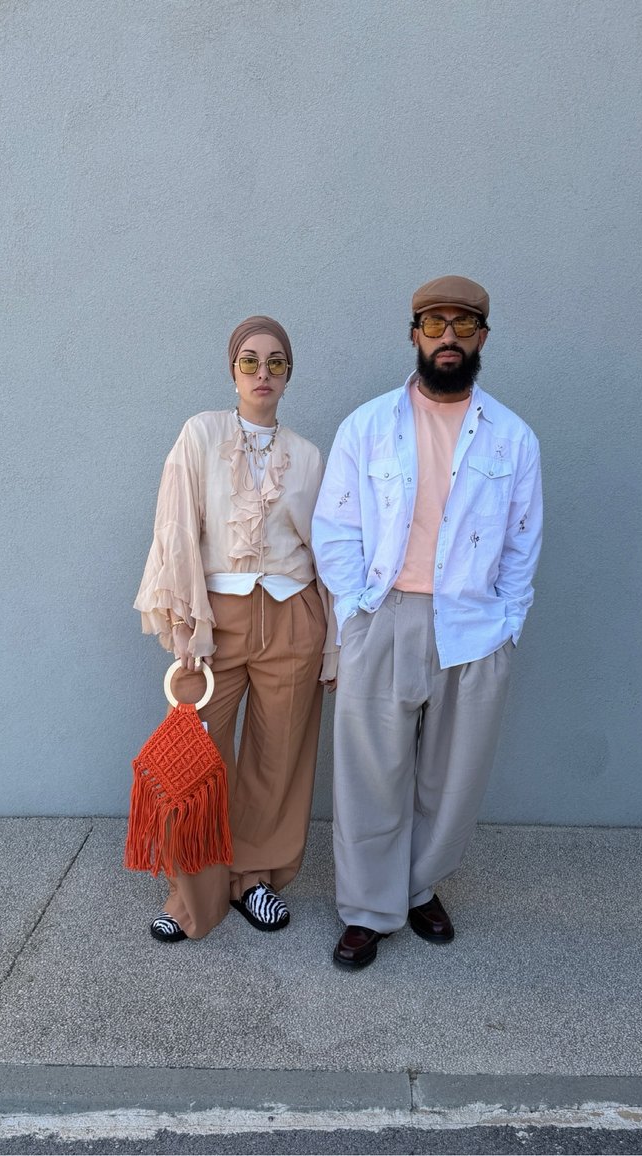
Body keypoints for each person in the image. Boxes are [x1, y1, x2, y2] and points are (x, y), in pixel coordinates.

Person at [312, 276, 542, 969]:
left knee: (452, 779)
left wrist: (507, 625)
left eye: (464, 325)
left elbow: (524, 541)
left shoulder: (512, 437)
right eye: (435, 323)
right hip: (385, 616)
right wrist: (354, 611)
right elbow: (336, 527)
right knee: (369, 773)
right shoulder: (368, 426)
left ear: (482, 338)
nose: (449, 336)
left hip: (472, 626)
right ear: (413, 333)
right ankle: (367, 910)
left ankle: (414, 889)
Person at [135, 315, 337, 943]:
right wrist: (187, 623)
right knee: (197, 760)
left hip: (292, 614)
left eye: (277, 362)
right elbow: (176, 528)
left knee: (278, 757)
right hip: (215, 621)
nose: (263, 373)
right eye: (251, 361)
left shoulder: (307, 456)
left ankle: (254, 877)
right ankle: (190, 895)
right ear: (232, 369)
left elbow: (330, 551)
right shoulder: (201, 434)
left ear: (289, 373)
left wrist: (332, 642)